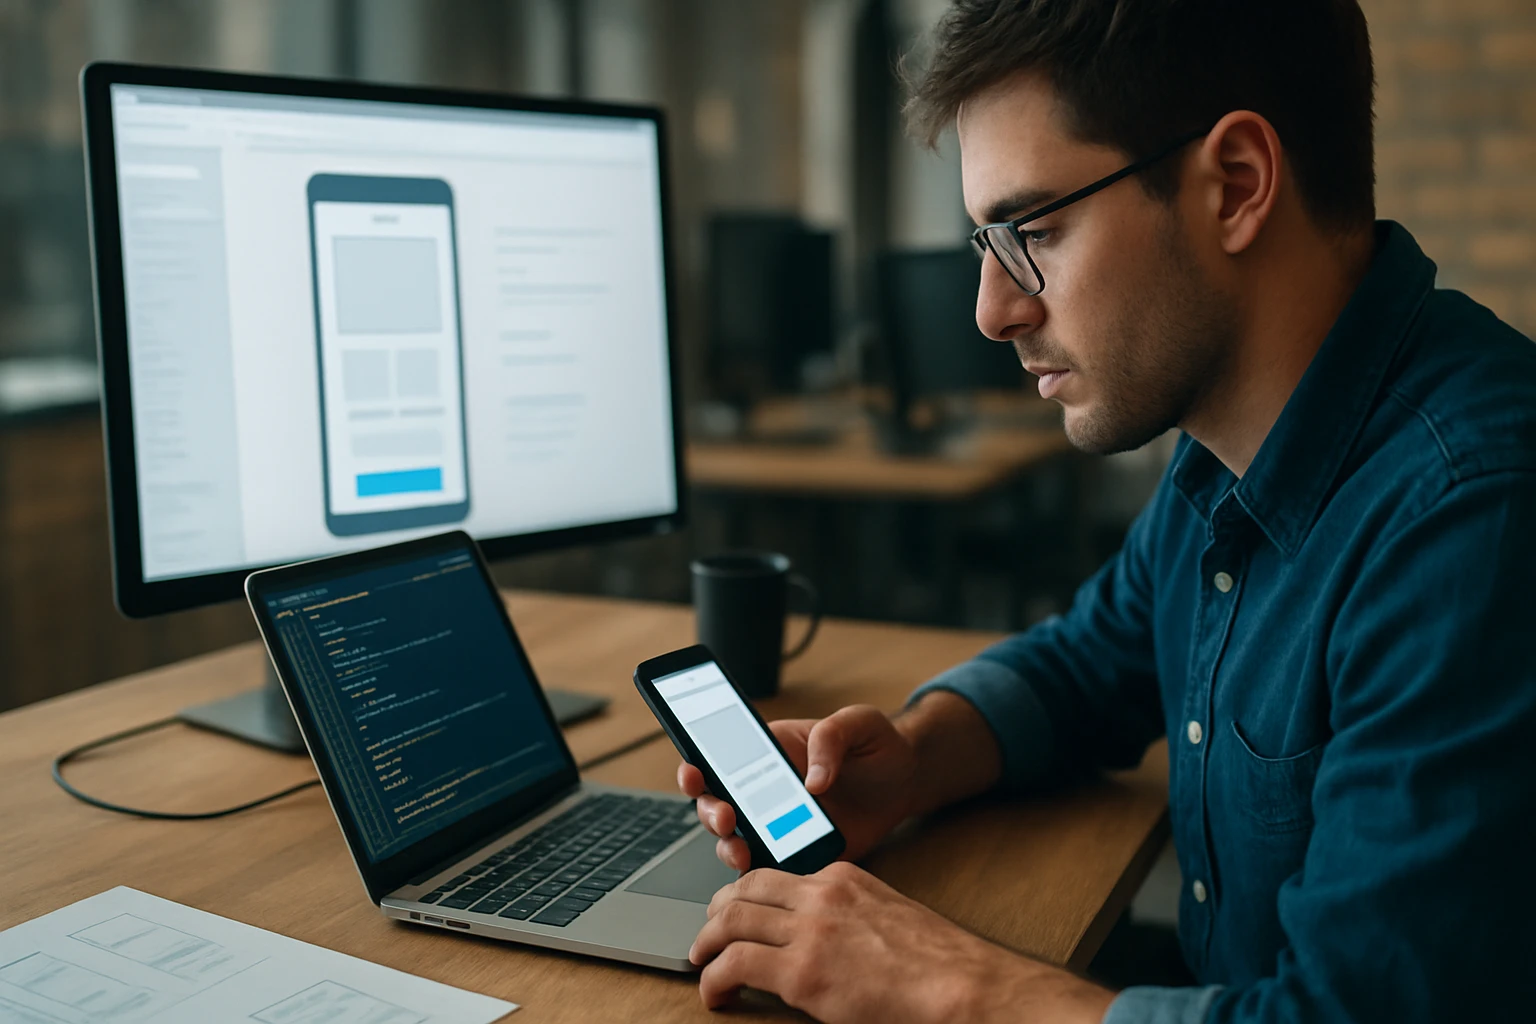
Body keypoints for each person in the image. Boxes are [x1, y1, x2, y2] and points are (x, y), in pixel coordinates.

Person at [676, 1, 1536, 1021]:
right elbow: (1093, 659)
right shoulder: (1229, 443)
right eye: (986, 241)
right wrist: (913, 759)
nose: (993, 310)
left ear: (1237, 186)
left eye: (1034, 230)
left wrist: (946, 983)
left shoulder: (1471, 516)